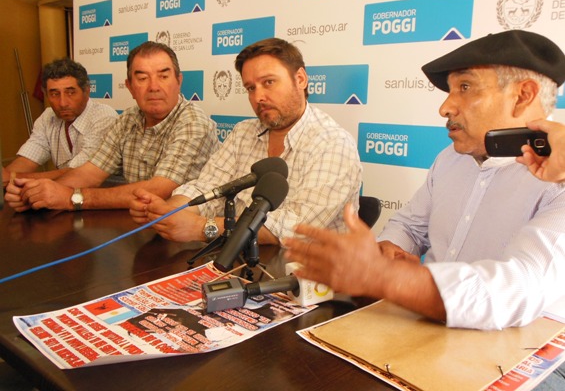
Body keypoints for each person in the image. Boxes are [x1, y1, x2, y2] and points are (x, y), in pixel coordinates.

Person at [284, 30, 565, 335]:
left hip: (523, 352)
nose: (445, 108)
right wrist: (388, 250)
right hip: (425, 324)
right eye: (451, 90)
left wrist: (383, 276)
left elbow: (517, 288)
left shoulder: (560, 179)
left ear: (522, 96)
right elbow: (409, 225)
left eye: (466, 87)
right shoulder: (451, 158)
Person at [129, 37, 362, 246]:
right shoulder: (243, 132)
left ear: (300, 79)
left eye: (269, 82)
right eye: (251, 88)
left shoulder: (333, 143)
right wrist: (168, 211)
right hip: (241, 262)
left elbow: (294, 230)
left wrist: (203, 228)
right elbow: (207, 188)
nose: (258, 97)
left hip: (313, 283)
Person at [5, 41, 219, 211]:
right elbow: (90, 173)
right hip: (139, 226)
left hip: (187, 236)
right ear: (129, 87)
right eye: (142, 78)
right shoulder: (127, 119)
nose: (154, 87)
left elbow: (158, 191)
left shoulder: (193, 123)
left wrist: (71, 197)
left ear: (178, 81)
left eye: (163, 76)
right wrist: (36, 195)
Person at [2, 57, 118, 186]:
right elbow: (28, 158)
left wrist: (13, 177)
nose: (62, 103)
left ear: (87, 91)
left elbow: (79, 173)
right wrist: (5, 176)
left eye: (70, 93)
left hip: (103, 196)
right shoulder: (48, 117)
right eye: (55, 94)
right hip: (63, 193)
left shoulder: (104, 118)